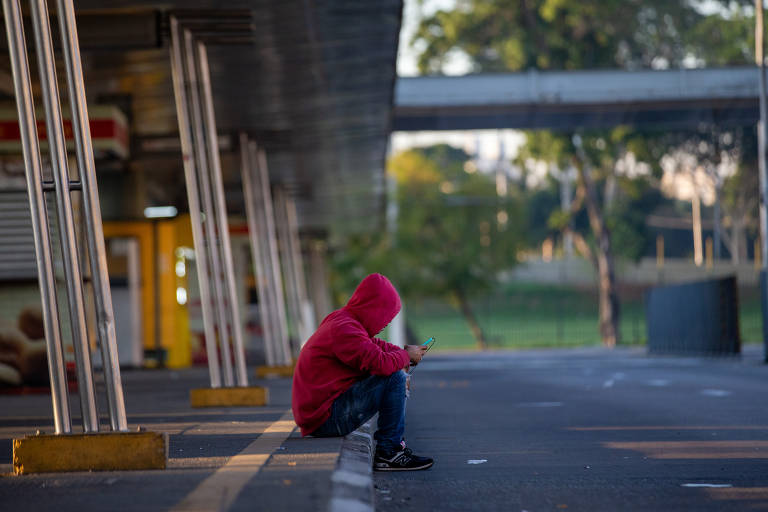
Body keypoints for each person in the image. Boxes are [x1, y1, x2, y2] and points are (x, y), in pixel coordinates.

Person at [292, 273, 434, 471]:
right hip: (324, 419)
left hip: (320, 414)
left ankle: (391, 449)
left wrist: (402, 353)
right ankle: (389, 452)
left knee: (393, 371)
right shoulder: (345, 329)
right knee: (394, 377)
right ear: (373, 308)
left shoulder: (345, 321)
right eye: (386, 315)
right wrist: (404, 357)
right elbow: (381, 363)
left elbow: (375, 346)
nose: (386, 323)